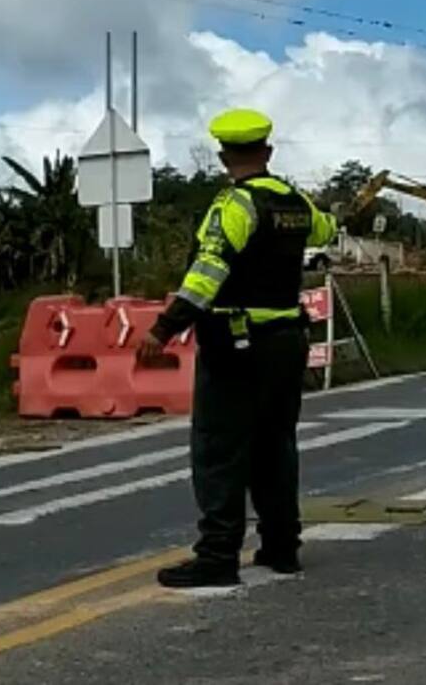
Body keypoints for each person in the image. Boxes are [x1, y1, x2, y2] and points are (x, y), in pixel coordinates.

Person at [137, 108, 338, 589]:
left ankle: (218, 556)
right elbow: (326, 232)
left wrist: (164, 329)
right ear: (267, 152)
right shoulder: (294, 202)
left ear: (225, 157)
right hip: (288, 341)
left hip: (236, 344)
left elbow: (208, 274)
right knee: (275, 445)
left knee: (220, 449)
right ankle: (282, 547)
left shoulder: (235, 206)